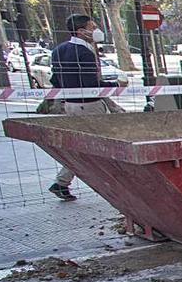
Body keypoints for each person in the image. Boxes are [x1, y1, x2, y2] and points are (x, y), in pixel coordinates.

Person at [48, 14, 125, 201]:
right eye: (92, 26)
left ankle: (62, 182)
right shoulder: (84, 53)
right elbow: (92, 85)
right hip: (89, 106)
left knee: (81, 146)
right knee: (100, 146)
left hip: (71, 105)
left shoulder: (58, 50)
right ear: (81, 31)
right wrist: (116, 85)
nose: (96, 30)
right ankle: (117, 187)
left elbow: (55, 80)